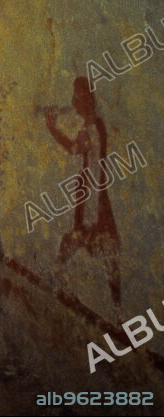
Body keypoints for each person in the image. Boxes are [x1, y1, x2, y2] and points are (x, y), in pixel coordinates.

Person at [44, 76, 120, 305]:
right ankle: (59, 284)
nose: (74, 101)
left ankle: (117, 314)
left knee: (107, 255)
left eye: (78, 96)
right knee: (83, 245)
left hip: (94, 201)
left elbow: (74, 148)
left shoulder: (93, 127)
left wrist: (52, 129)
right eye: (75, 96)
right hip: (91, 197)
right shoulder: (93, 125)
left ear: (86, 98)